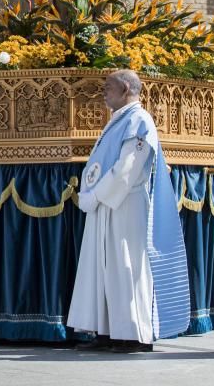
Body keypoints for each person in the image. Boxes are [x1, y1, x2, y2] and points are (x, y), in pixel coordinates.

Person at [68, 70, 190, 353]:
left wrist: (95, 196)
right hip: (108, 206)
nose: (103, 92)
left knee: (126, 268)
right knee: (105, 268)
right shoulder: (118, 119)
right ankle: (108, 331)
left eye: (108, 87)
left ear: (124, 89)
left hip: (125, 205)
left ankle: (132, 334)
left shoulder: (138, 120)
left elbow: (126, 169)